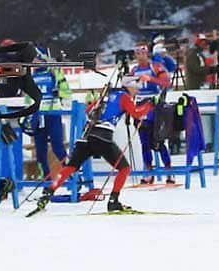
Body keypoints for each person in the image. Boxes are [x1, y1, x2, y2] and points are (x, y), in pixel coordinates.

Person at [29, 72, 148, 214]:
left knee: (70, 167)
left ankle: (48, 192)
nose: (137, 90)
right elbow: (136, 113)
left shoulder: (105, 95)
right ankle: (113, 201)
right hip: (102, 137)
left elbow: (87, 110)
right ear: (130, 85)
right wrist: (151, 105)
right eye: (136, 87)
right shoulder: (125, 97)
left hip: (86, 135)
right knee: (124, 168)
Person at [134, 46, 175, 182]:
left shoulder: (155, 67)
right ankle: (148, 172)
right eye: (137, 53)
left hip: (154, 106)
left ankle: (169, 171)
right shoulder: (134, 70)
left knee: (158, 140)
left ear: (147, 54)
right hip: (139, 106)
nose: (140, 56)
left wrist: (151, 79)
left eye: (143, 53)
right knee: (144, 142)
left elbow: (166, 82)